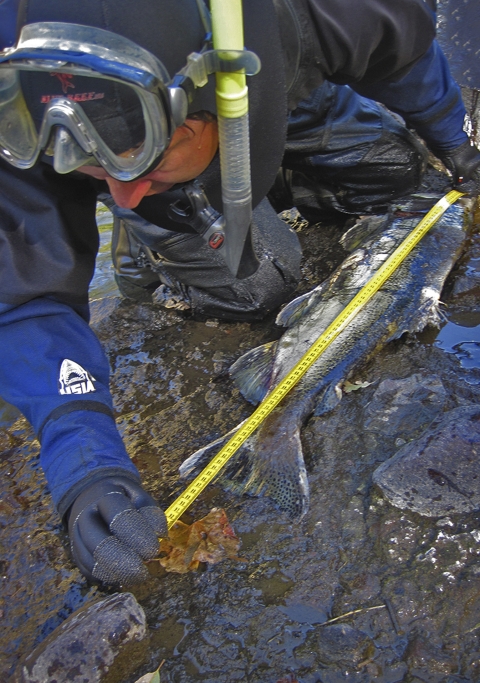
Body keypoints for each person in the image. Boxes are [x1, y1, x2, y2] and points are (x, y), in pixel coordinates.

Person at [0, 0, 479, 586]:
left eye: (143, 158)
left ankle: (263, 176)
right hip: (190, 159)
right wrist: (83, 458)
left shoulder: (328, 10)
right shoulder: (17, 84)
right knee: (259, 285)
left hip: (277, 93)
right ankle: (151, 244)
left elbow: (402, 52)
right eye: (93, 170)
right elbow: (23, 293)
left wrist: (452, 138)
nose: (120, 193)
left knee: (399, 172)